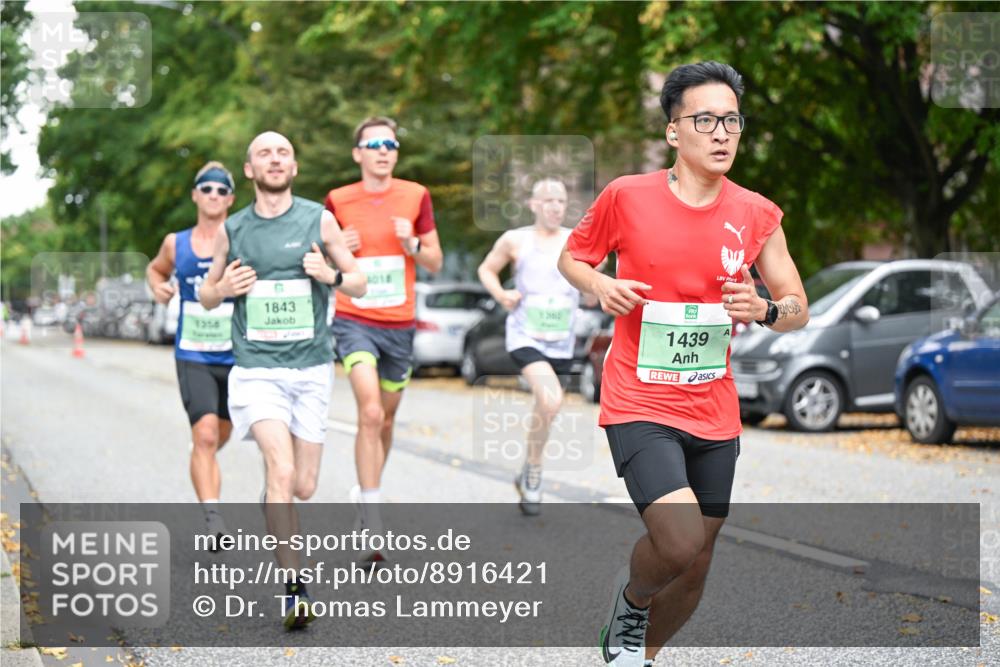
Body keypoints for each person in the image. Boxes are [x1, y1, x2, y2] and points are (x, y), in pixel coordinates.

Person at [558, 62, 810, 666]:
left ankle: (637, 656)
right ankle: (631, 602)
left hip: (713, 406)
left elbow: (798, 306)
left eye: (731, 120)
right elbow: (572, 258)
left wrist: (765, 307)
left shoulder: (756, 213)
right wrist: (600, 285)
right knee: (678, 541)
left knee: (698, 562)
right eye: (705, 120)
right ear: (674, 132)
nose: (722, 133)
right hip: (639, 398)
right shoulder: (626, 195)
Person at [199, 131, 366, 629]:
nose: (275, 159)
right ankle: (295, 588)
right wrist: (223, 287)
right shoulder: (235, 228)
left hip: (312, 367)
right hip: (256, 370)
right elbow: (207, 294)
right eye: (264, 154)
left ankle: (275, 502)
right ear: (249, 170)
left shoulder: (319, 219)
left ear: (294, 166)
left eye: (283, 153)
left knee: (305, 485)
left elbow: (359, 279)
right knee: (282, 471)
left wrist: (331, 276)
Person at [324, 116, 443, 556]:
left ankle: (366, 489)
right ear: (357, 153)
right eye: (372, 143)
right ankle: (372, 518)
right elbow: (317, 260)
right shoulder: (337, 200)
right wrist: (340, 250)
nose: (382, 150)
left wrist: (412, 244)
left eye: (389, 143)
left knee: (387, 420)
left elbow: (435, 260)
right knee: (370, 413)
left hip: (399, 324)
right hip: (354, 318)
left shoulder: (415, 195)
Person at [476, 178, 580, 515]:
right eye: (548, 200)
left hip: (561, 340)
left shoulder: (576, 240)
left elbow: (591, 283)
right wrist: (502, 295)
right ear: (533, 204)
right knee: (550, 399)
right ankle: (534, 471)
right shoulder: (515, 239)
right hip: (525, 335)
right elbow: (486, 270)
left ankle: (529, 466)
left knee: (547, 409)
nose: (555, 206)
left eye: (561, 201)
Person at [146, 161, 236, 544]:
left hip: (237, 355)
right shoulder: (175, 242)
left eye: (221, 188)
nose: (214, 194)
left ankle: (204, 455)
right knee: (205, 435)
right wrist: (158, 287)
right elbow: (155, 270)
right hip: (193, 353)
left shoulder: (243, 237)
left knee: (219, 435)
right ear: (195, 194)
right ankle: (213, 519)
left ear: (230, 198)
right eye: (207, 187)